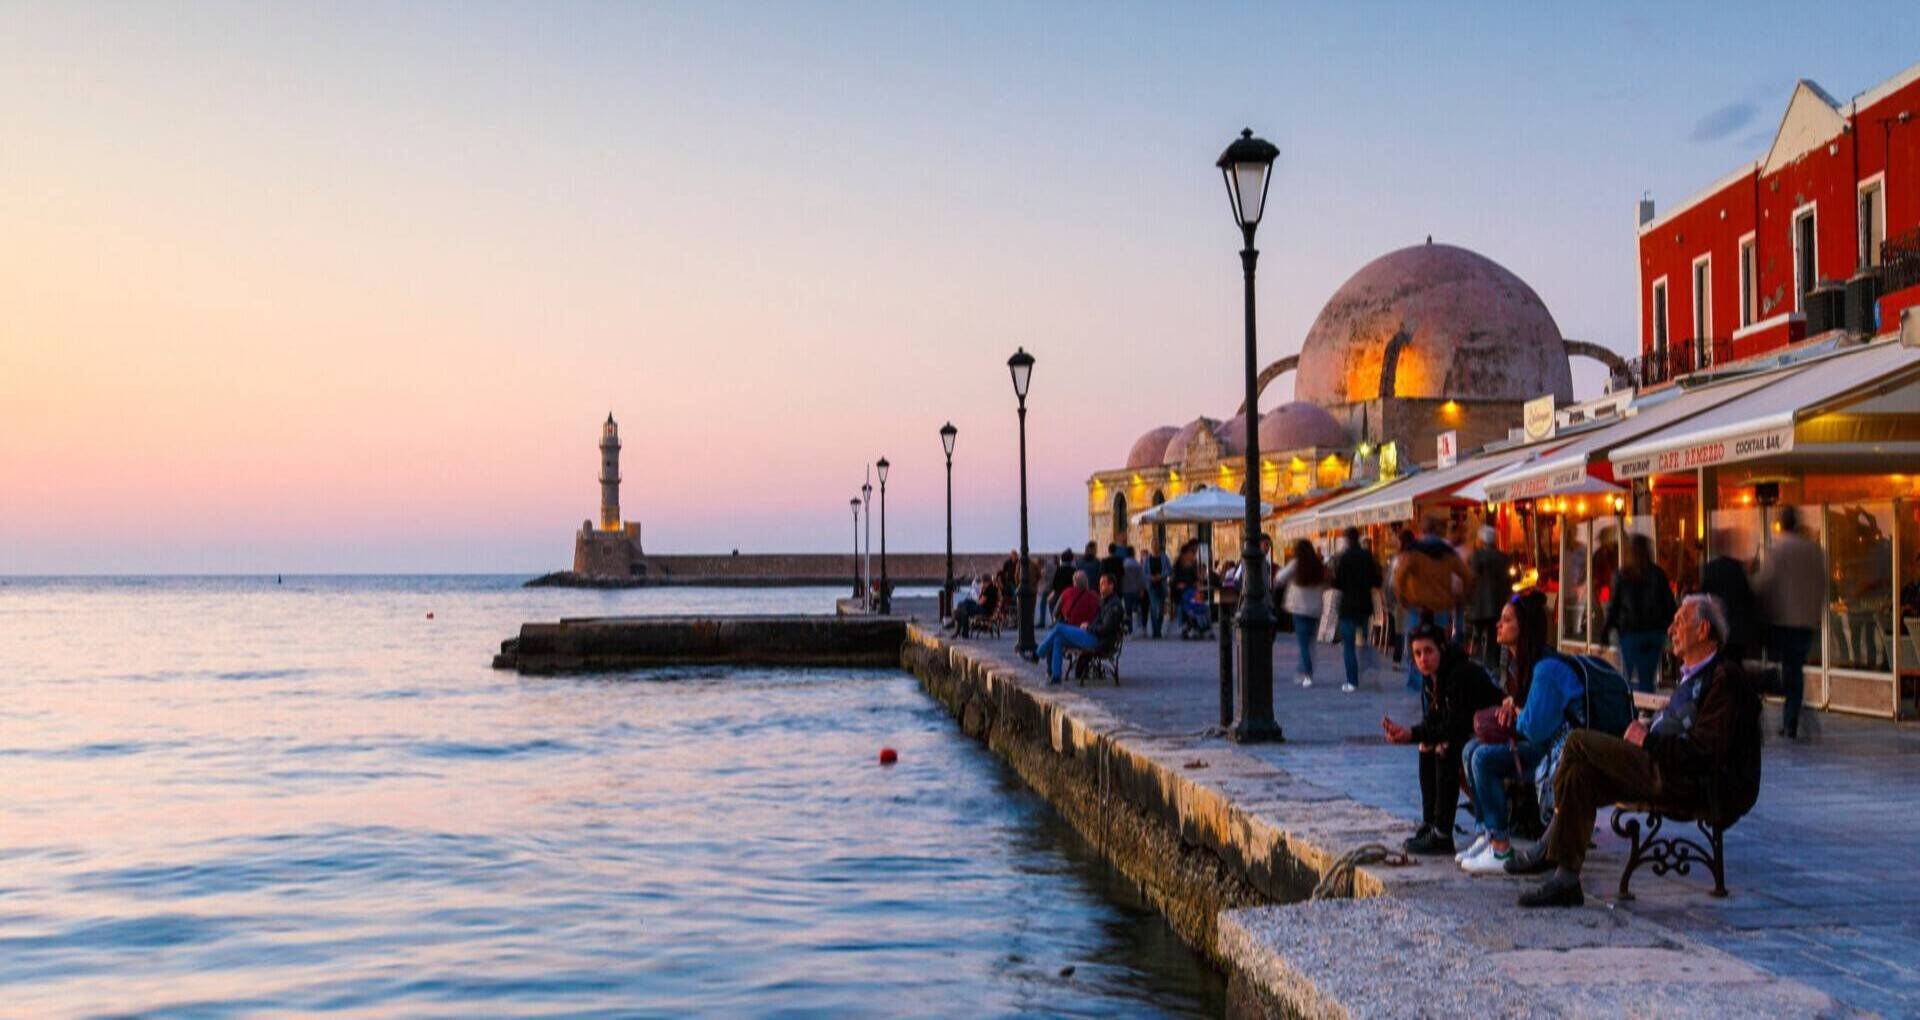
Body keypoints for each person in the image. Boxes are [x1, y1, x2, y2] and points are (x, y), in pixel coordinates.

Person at [1516, 593, 1761, 907]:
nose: (1671, 630)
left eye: (1679, 622)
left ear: (1702, 630)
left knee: (1577, 741)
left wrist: (1647, 740)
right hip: (1666, 766)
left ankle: (1548, 842)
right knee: (1580, 774)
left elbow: (1705, 750)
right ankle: (1566, 879)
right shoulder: (1694, 677)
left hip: (1694, 781)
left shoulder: (1723, 679)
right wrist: (1648, 732)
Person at [1458, 590, 1586, 875]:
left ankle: (1501, 848)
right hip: (1539, 744)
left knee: (1483, 759)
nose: (1498, 625)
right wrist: (1512, 708)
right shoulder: (1518, 664)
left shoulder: (1547, 667)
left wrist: (1515, 712)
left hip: (1556, 751)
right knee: (1469, 750)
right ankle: (1487, 833)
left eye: (1506, 620)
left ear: (1524, 627)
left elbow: (1535, 729)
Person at [1383, 624, 1504, 855]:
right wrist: (1406, 733)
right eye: (1417, 654)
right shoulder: (1431, 678)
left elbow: (1454, 726)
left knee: (1444, 747)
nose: (1423, 659)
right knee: (1426, 745)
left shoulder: (1460, 674)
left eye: (1428, 651)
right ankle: (1430, 823)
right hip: (1466, 732)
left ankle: (1442, 833)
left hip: (1492, 734)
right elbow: (1432, 722)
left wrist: (1412, 734)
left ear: (1441, 648)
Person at [1754, 506, 1827, 739]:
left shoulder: (1778, 549)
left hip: (1782, 621)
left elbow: (1764, 583)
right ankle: (1794, 711)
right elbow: (1822, 583)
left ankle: (1793, 714)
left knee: (1788, 670)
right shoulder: (1813, 550)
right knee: (1794, 667)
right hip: (1806, 621)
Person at [1392, 519, 1474, 692]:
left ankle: (1418, 682)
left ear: (1422, 531)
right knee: (1438, 645)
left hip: (1417, 607)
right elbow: (1467, 577)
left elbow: (1398, 578)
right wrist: (1458, 597)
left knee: (1416, 644)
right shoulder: (1448, 553)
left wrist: (1403, 599)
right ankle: (1438, 680)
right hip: (1441, 607)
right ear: (1440, 532)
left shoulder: (1414, 552)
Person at [1600, 533, 1677, 693]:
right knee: (1647, 677)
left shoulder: (1622, 575)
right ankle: (1645, 702)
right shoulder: (1658, 574)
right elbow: (1669, 604)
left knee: (1627, 677)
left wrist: (1606, 630)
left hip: (1629, 634)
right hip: (1654, 633)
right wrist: (1670, 628)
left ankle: (1630, 704)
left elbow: (1613, 606)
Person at [1031, 572, 1126, 683]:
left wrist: (1089, 627)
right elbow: (1100, 622)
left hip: (1099, 641)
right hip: (1093, 635)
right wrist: (1088, 625)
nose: (1100, 586)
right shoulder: (1105, 601)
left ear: (1111, 586)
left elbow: (1106, 628)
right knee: (1058, 639)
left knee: (1059, 628)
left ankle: (1037, 654)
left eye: (1103, 584)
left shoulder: (1113, 605)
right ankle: (1056, 676)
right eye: (1100, 584)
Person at [1331, 527, 1382, 693]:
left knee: (1349, 645)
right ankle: (1368, 666)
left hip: (1348, 606)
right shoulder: (1367, 556)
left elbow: (1337, 583)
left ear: (1347, 539)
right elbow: (1377, 580)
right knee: (1365, 639)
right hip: (1364, 605)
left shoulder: (1344, 558)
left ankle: (1352, 681)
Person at [1275, 539, 1328, 688]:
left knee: (1303, 643)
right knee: (1310, 643)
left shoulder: (1296, 564)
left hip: (1299, 608)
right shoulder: (1318, 565)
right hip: (1315, 609)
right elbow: (1325, 584)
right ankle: (1303, 669)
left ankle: (1307, 673)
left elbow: (1279, 577)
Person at [1700, 530, 1758, 661]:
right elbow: (1747, 597)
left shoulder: (1710, 569)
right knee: (1734, 662)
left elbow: (1705, 597)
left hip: (1718, 628)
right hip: (1736, 629)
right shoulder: (1736, 567)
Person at [1467, 526, 1512, 673]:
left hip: (1479, 605)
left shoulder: (1476, 556)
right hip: (1497, 604)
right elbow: (1508, 580)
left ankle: (1474, 664)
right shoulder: (1504, 557)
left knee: (1476, 635)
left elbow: (1471, 577)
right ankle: (1492, 665)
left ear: (1481, 540)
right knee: (1494, 637)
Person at [1144, 542, 1170, 639]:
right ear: (1151, 547)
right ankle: (1155, 631)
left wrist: (1161, 576)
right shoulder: (1147, 559)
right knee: (1154, 608)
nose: (1155, 547)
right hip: (1151, 586)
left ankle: (1158, 629)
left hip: (1162, 585)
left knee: (1161, 608)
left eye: (1157, 545)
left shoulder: (1164, 558)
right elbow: (1144, 572)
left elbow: (1169, 570)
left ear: (1159, 547)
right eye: (1153, 546)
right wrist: (1151, 577)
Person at [1044, 550, 1076, 627]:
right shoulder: (1074, 570)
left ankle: (1055, 621)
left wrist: (1054, 591)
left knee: (1051, 602)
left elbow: (1054, 583)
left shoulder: (1059, 569)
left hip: (1060, 593)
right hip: (1071, 593)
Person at [1122, 546, 1148, 632]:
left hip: (1126, 590)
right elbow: (1141, 579)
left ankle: (1130, 629)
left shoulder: (1123, 565)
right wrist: (1142, 589)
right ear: (1133, 553)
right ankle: (1140, 626)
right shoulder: (1137, 565)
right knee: (1137, 608)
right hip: (1136, 590)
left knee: (1128, 611)